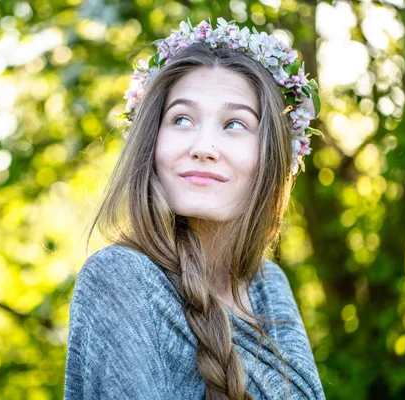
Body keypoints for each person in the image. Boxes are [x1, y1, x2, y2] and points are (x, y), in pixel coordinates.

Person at [63, 17, 326, 400]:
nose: (203, 147)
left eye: (234, 124)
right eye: (181, 119)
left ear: (270, 157)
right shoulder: (120, 279)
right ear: (151, 143)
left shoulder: (268, 283)